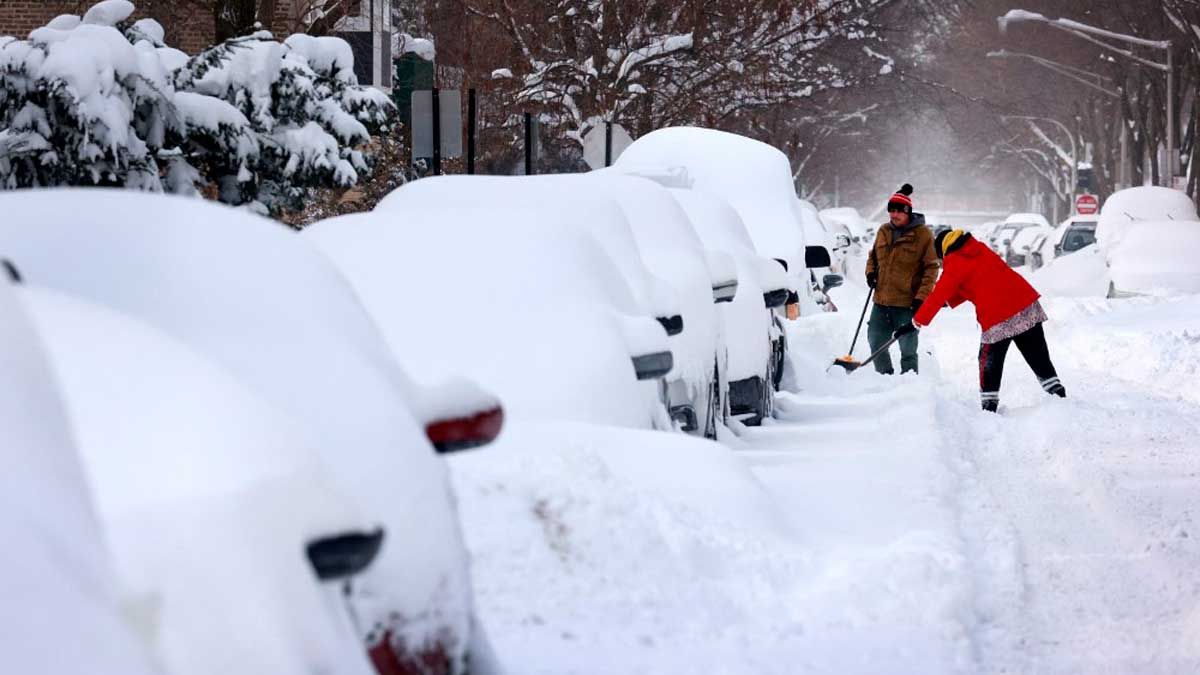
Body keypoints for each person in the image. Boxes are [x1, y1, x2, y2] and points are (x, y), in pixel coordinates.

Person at [894, 228, 1068, 412]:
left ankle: (989, 407)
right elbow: (975, 281)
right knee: (1037, 357)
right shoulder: (978, 248)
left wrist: (915, 322)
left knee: (988, 361)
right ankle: (1059, 398)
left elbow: (938, 294)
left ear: (943, 251)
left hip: (998, 317)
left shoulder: (954, 261)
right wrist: (948, 302)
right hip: (1026, 306)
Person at [864, 184, 939, 374]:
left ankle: (910, 385)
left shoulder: (923, 235)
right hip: (881, 301)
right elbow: (872, 256)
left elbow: (931, 268)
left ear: (908, 212)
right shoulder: (883, 231)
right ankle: (885, 378)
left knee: (908, 349)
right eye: (891, 211)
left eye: (899, 211)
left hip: (907, 303)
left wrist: (921, 298)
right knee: (875, 342)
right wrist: (870, 273)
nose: (894, 215)